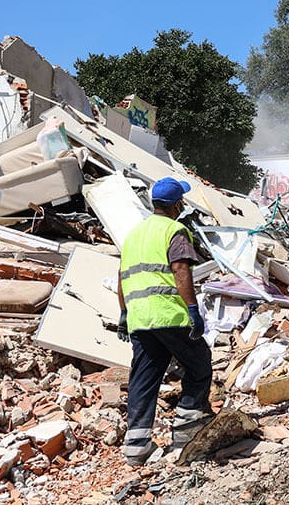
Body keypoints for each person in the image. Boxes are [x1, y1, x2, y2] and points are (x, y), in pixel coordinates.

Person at [117, 177, 211, 465]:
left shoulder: (134, 234)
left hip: (140, 319)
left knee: (144, 378)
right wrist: (192, 309)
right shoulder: (175, 230)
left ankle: (136, 445)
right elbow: (181, 270)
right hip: (169, 314)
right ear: (177, 204)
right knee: (199, 364)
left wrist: (123, 314)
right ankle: (185, 430)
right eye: (181, 200)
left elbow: (121, 277)